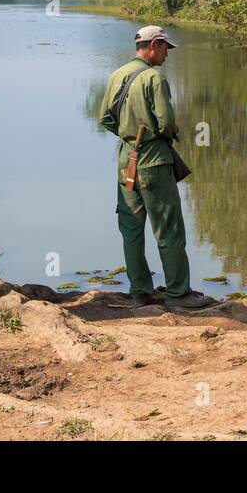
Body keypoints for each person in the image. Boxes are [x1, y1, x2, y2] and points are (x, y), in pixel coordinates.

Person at [98, 25, 215, 309]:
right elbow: (166, 122)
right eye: (164, 48)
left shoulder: (117, 75)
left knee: (131, 228)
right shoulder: (154, 78)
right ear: (152, 45)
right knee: (169, 228)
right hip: (154, 161)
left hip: (127, 160)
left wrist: (129, 138)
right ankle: (178, 293)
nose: (167, 54)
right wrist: (160, 135)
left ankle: (140, 292)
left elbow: (105, 119)